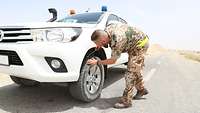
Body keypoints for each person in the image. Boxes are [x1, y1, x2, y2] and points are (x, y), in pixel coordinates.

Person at [87, 23, 149, 109]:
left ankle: (126, 101)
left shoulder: (117, 40)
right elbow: (102, 38)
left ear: (104, 40)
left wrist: (98, 62)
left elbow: (113, 60)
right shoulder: (106, 31)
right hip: (133, 43)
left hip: (140, 45)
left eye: (99, 44)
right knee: (136, 70)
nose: (99, 46)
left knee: (130, 73)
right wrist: (99, 44)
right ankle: (141, 90)